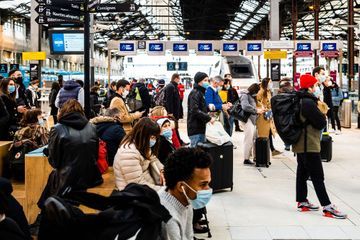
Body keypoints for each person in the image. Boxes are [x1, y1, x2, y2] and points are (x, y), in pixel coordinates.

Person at [293, 74, 347, 219]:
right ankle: (327, 207)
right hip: (309, 144)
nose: (317, 87)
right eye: (315, 85)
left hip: (300, 144)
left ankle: (302, 201)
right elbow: (321, 123)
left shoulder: (299, 100)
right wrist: (323, 114)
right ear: (310, 87)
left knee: (302, 174)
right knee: (318, 176)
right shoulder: (309, 103)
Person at [38, 99, 103, 210]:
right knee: (73, 205)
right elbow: (95, 154)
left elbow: (54, 162)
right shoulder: (92, 127)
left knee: (52, 203)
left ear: (63, 111)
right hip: (86, 176)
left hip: (65, 177)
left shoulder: (57, 129)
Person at [159, 148, 212, 240]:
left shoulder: (185, 201)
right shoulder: (169, 220)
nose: (208, 189)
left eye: (208, 183)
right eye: (203, 184)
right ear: (181, 186)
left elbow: (189, 236)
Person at [113, 117, 164, 191]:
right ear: (143, 135)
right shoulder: (128, 154)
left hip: (146, 185)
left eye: (156, 137)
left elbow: (153, 158)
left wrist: (162, 171)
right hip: (133, 193)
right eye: (152, 137)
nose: (154, 140)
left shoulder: (141, 144)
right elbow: (138, 184)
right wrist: (162, 191)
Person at [187, 72, 213, 147]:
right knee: (196, 154)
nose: (207, 82)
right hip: (195, 129)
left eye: (208, 80)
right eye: (205, 80)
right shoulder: (195, 93)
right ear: (199, 81)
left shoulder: (201, 93)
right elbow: (195, 110)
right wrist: (208, 118)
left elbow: (202, 108)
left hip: (200, 127)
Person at [256, 78, 281, 156]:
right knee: (264, 134)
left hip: (268, 115)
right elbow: (257, 101)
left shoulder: (268, 91)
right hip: (262, 116)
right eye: (270, 82)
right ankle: (266, 151)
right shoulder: (261, 91)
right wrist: (263, 107)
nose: (271, 84)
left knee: (269, 132)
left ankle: (272, 149)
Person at [240, 83, 263, 165]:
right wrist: (256, 110)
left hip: (252, 120)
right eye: (257, 91)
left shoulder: (251, 96)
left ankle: (253, 157)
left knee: (252, 139)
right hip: (247, 120)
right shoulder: (245, 95)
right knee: (248, 140)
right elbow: (245, 106)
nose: (257, 93)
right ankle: (246, 158)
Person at [278, 78, 294, 151]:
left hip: (282, 114)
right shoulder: (292, 91)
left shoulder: (280, 92)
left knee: (285, 129)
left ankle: (287, 144)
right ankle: (289, 143)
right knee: (290, 128)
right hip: (289, 113)